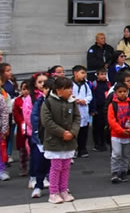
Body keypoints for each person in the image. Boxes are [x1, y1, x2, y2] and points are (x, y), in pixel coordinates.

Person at [40, 76, 80, 204]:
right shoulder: (48, 102)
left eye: (70, 88)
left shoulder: (72, 102)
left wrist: (72, 132)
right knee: (56, 167)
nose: (70, 91)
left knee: (66, 166)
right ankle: (54, 192)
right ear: (58, 90)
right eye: (67, 88)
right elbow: (47, 121)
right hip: (54, 140)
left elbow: (77, 118)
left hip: (69, 141)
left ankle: (63, 190)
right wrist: (62, 133)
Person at [107, 82, 130, 183]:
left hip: (128, 134)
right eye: (120, 92)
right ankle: (115, 172)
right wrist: (120, 130)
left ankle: (123, 172)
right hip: (116, 135)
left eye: (125, 91)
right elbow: (111, 120)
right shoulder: (112, 105)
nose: (122, 94)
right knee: (116, 153)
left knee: (126, 154)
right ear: (115, 93)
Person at [24, 72, 48, 191]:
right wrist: (37, 127)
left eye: (45, 82)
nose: (42, 84)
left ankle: (45, 177)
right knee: (35, 156)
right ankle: (33, 177)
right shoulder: (30, 98)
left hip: (48, 132)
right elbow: (28, 116)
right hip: (34, 132)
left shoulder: (49, 96)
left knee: (47, 156)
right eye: (40, 82)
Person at [29, 76, 52, 198]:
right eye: (46, 88)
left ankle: (58, 186)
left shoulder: (59, 101)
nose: (47, 90)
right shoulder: (40, 101)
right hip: (42, 137)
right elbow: (34, 118)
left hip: (55, 138)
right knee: (40, 163)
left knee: (56, 164)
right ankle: (38, 185)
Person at [71, 66, 92, 158]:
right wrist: (74, 100)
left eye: (85, 73)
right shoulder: (70, 84)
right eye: (82, 73)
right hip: (74, 110)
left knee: (84, 131)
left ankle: (82, 149)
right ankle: (73, 149)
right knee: (74, 131)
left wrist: (85, 100)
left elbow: (89, 96)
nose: (84, 75)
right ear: (75, 73)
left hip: (83, 110)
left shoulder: (86, 85)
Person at [13, 81, 30, 176]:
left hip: (32, 127)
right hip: (22, 128)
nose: (26, 91)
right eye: (24, 89)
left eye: (28, 89)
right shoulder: (18, 101)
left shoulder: (33, 99)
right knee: (22, 150)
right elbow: (16, 114)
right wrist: (21, 122)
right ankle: (23, 168)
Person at [91, 68, 110, 152]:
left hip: (105, 108)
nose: (103, 76)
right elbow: (93, 97)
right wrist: (93, 109)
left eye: (104, 74)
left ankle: (103, 143)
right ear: (97, 75)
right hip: (97, 108)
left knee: (104, 126)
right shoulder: (94, 84)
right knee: (96, 127)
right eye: (101, 74)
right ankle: (97, 144)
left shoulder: (108, 84)